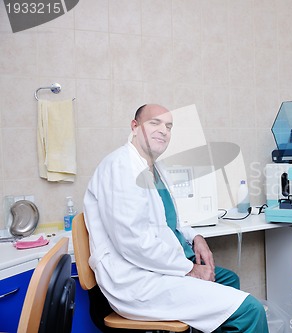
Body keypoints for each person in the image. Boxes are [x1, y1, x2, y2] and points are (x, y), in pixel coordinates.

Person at [83, 103, 269, 333]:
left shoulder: (156, 169)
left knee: (228, 279)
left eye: (169, 126)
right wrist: (189, 269)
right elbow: (134, 243)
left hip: (160, 267)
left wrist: (196, 237)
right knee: (250, 311)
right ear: (134, 126)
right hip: (139, 280)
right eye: (155, 123)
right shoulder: (121, 167)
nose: (164, 130)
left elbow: (173, 220)